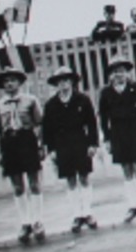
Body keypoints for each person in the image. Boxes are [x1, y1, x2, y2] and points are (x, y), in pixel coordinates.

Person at [40, 67, 101, 234]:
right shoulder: (51, 105)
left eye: (66, 80)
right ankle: (77, 215)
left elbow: (92, 123)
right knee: (70, 180)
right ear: (56, 85)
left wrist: (93, 144)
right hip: (62, 146)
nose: (63, 84)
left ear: (72, 82)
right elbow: (47, 130)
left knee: (84, 177)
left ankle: (87, 212)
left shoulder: (82, 100)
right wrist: (51, 149)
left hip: (81, 143)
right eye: (60, 81)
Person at [97, 55, 136, 224]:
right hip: (117, 132)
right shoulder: (106, 93)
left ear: (127, 73)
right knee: (126, 168)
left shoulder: (135, 88)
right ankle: (133, 205)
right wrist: (107, 139)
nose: (118, 75)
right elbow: (103, 118)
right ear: (110, 75)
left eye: (121, 71)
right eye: (115, 72)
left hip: (135, 129)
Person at [0, 66, 45, 245]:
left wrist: (40, 146)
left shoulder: (30, 100)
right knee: (17, 187)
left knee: (34, 184)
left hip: (27, 141)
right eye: (5, 81)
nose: (9, 84)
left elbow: (39, 124)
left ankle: (37, 221)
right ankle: (25, 223)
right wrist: (0, 152)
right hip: (10, 144)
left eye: (13, 80)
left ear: (20, 83)